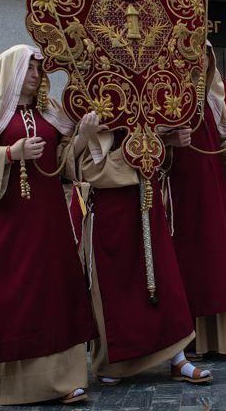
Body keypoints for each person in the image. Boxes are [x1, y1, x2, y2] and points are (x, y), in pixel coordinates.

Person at [0, 45, 98, 404]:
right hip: (4, 219)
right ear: (11, 72)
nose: (37, 75)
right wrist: (8, 153)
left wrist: (80, 138)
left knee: (52, 290)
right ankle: (6, 384)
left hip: (47, 217)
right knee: (9, 292)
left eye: (39, 69)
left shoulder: (51, 113)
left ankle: (62, 379)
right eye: (30, 68)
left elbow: (63, 161)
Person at [79, 117, 209, 385]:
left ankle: (178, 357)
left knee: (164, 276)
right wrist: (131, 156)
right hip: (111, 209)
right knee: (117, 284)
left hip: (147, 199)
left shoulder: (148, 99)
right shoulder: (90, 103)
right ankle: (116, 363)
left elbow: (155, 144)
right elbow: (85, 167)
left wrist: (168, 140)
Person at [164, 44, 226, 356]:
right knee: (190, 260)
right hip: (182, 191)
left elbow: (221, 147)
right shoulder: (167, 97)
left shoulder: (216, 102)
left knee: (219, 259)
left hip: (213, 191)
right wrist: (170, 139)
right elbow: (147, 142)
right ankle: (189, 340)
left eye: (206, 53)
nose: (200, 58)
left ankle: (225, 337)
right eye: (194, 51)